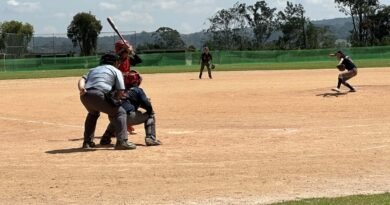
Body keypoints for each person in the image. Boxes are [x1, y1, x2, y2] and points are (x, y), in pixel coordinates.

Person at [78, 52, 136, 150]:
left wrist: (82, 88)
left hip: (85, 96)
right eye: (118, 62)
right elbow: (121, 90)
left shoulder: (93, 69)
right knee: (120, 112)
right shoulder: (115, 70)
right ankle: (122, 141)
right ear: (115, 62)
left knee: (93, 114)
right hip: (99, 94)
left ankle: (87, 143)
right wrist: (116, 102)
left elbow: (82, 79)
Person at [100, 70, 162, 146]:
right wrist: (150, 110)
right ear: (136, 81)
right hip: (128, 117)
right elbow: (146, 104)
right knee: (150, 116)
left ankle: (105, 138)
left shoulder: (120, 90)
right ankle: (150, 138)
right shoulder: (137, 90)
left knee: (117, 116)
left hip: (112, 117)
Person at [114, 39, 140, 135]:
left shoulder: (127, 58)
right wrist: (123, 50)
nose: (126, 53)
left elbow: (138, 60)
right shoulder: (116, 59)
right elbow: (117, 58)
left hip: (127, 85)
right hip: (118, 86)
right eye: (124, 51)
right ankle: (118, 127)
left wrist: (131, 51)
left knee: (130, 103)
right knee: (119, 106)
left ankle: (126, 123)